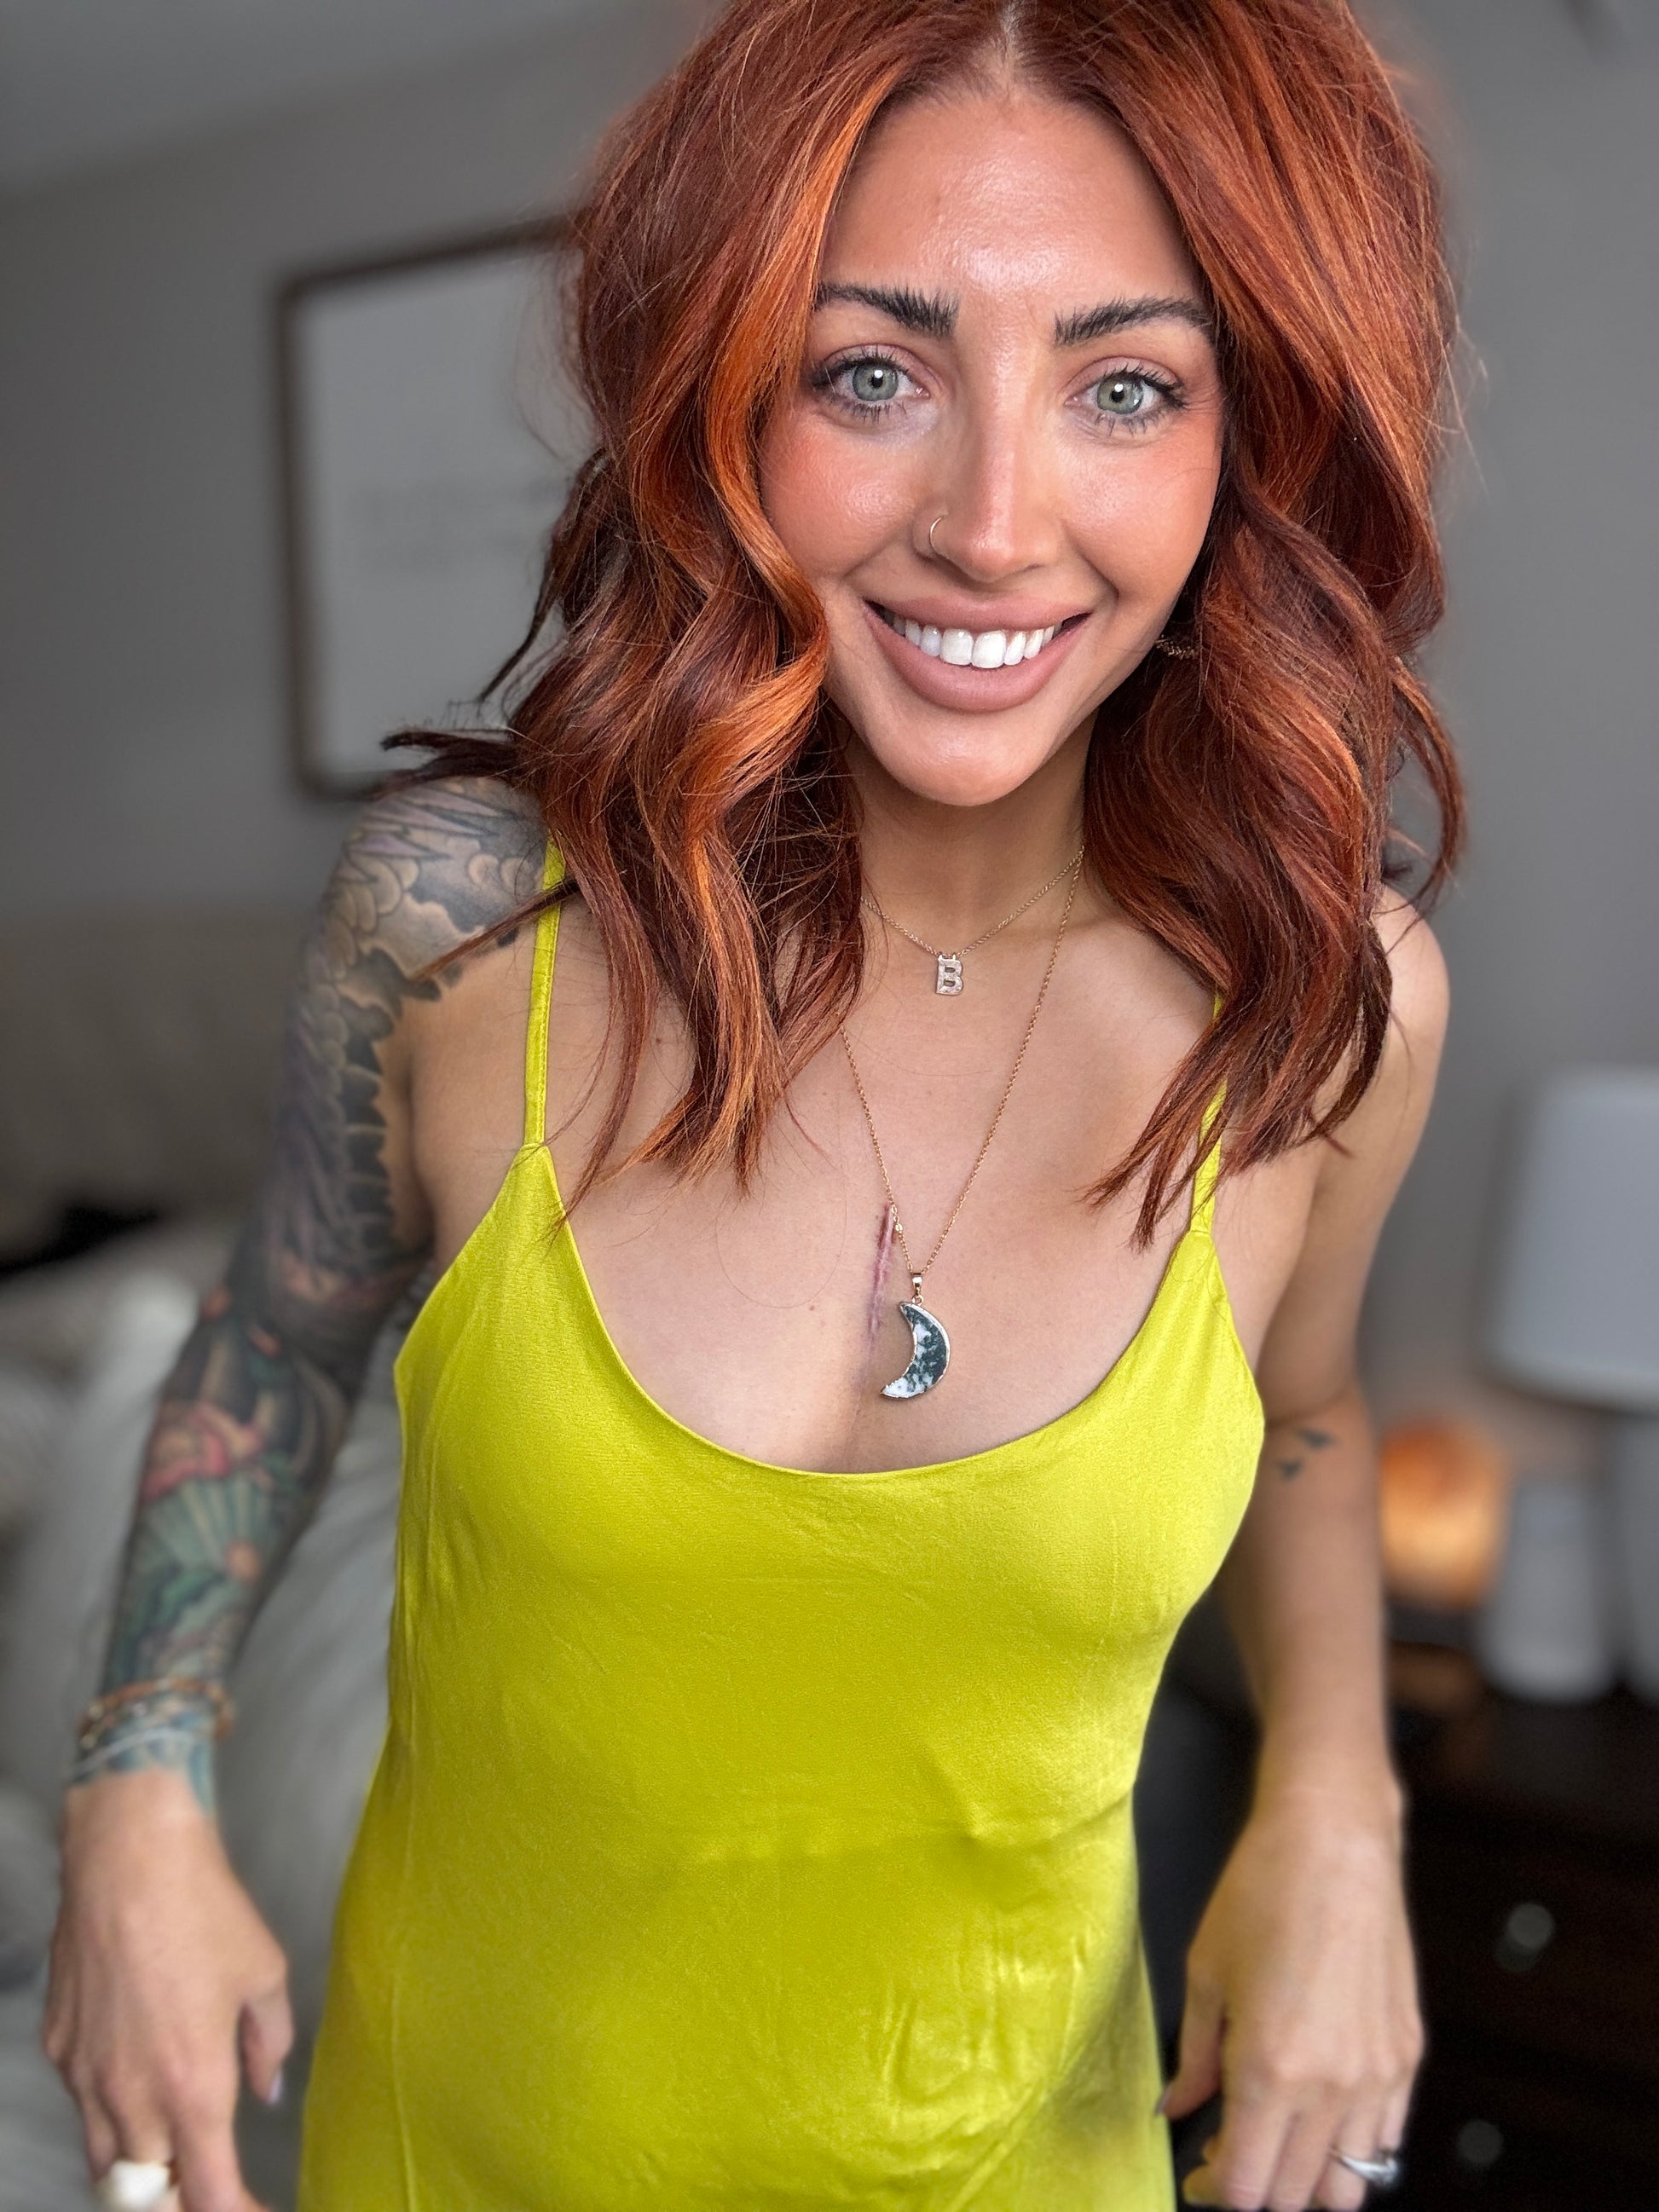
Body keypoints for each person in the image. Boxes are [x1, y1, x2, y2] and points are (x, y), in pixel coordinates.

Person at [44, 0, 1465, 2205]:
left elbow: (1304, 1412)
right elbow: (270, 1340)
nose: (992, 524)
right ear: (722, 399)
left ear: (1245, 441)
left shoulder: (1324, 1006)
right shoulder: (455, 924)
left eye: (1124, 386)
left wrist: (1335, 1812)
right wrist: (134, 1789)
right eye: (871, 372)